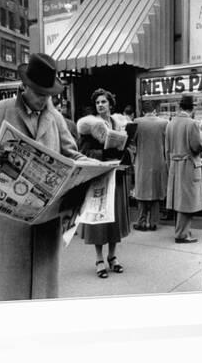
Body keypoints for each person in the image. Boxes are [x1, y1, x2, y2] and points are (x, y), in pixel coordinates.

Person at [0, 53, 85, 301]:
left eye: (48, 95)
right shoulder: (0, 110)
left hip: (46, 219)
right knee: (10, 291)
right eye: (39, 94)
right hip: (11, 220)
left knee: (42, 291)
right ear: (24, 87)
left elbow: (73, 155)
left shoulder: (56, 118)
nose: (44, 100)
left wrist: (91, 166)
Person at [77, 88, 131, 279]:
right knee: (100, 218)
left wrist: (124, 150)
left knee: (114, 217)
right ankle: (99, 258)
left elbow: (129, 148)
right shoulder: (89, 126)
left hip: (117, 175)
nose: (100, 105)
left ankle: (112, 256)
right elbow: (82, 153)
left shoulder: (119, 123)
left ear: (110, 104)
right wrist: (103, 154)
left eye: (104, 102)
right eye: (98, 102)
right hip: (99, 176)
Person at [165, 95, 202, 243]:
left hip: (174, 164)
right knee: (187, 200)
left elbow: (167, 149)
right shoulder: (193, 123)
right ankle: (182, 234)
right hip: (188, 164)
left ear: (180, 107)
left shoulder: (170, 123)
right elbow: (196, 147)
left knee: (178, 199)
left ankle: (182, 230)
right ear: (192, 108)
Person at [132, 100, 168, 232]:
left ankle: (141, 221)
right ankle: (153, 222)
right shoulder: (164, 123)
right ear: (155, 110)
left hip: (142, 162)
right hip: (159, 161)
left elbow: (131, 142)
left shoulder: (136, 122)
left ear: (142, 111)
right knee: (156, 192)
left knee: (142, 193)